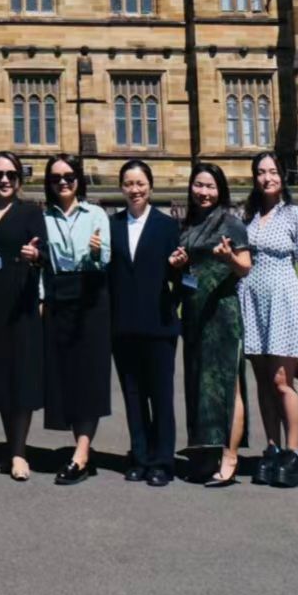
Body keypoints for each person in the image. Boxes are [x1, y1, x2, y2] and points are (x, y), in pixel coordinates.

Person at [171, 160, 252, 487]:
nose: (203, 192)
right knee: (200, 385)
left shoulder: (231, 223)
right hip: (194, 312)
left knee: (228, 385)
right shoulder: (189, 224)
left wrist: (229, 257)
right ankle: (205, 454)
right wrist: (178, 264)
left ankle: (230, 457)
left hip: (222, 313)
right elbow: (188, 272)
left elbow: (245, 267)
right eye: (199, 185)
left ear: (220, 190)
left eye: (210, 186)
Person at [241, 150, 298, 489]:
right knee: (263, 382)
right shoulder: (250, 215)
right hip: (252, 302)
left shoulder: (295, 215)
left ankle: (293, 453)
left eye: (272, 171)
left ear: (283, 176)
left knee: (282, 381)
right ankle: (272, 448)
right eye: (260, 172)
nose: (266, 177)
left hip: (284, 301)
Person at [108, 158, 180, 488]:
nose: (134, 189)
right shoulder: (111, 225)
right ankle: (139, 456)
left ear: (150, 186)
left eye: (140, 183)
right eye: (128, 184)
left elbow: (180, 275)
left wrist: (178, 268)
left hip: (159, 324)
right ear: (121, 188)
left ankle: (162, 460)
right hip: (123, 325)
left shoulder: (167, 226)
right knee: (133, 395)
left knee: (160, 396)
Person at [40, 152, 111, 484]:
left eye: (69, 176)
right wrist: (42, 297)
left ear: (79, 179)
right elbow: (42, 264)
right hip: (58, 294)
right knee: (66, 375)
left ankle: (81, 454)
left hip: (91, 294)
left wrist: (96, 252)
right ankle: (80, 450)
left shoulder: (96, 214)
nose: (63, 182)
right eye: (56, 178)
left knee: (89, 376)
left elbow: (105, 259)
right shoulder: (44, 217)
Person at [0, 152, 46, 481]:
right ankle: (10, 447)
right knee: (2, 379)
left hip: (21, 304)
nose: (4, 180)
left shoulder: (30, 213)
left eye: (10, 174)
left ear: (19, 179)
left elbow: (45, 253)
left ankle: (19, 452)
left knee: (21, 379)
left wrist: (35, 255)